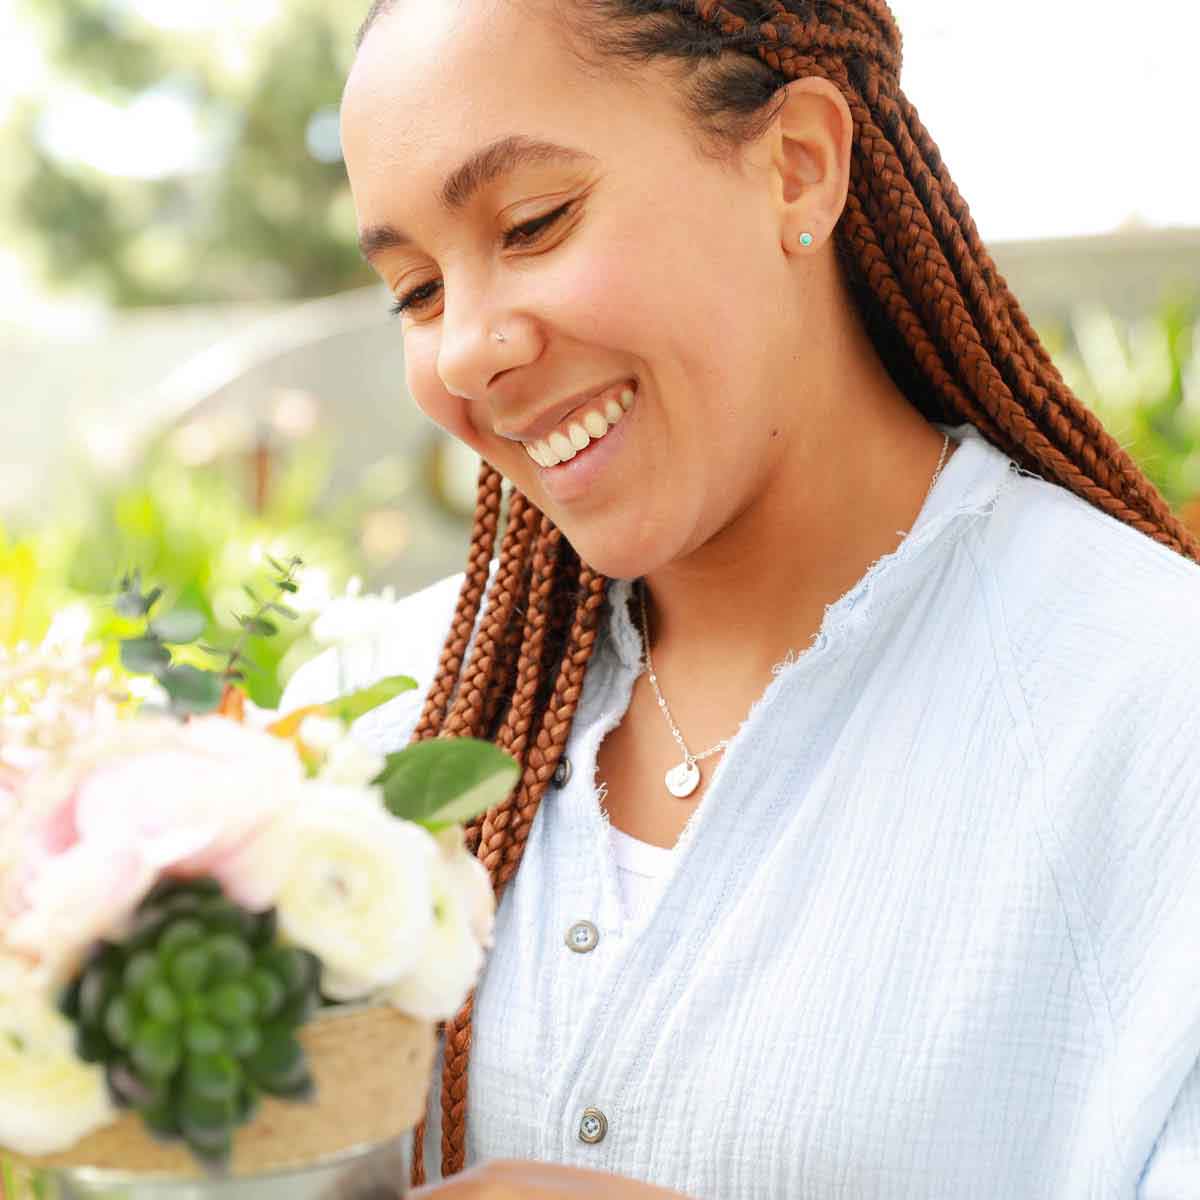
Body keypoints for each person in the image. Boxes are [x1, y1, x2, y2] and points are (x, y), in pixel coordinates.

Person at [283, 1, 1200, 1195]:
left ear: (797, 168)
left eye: (532, 222)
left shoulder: (1147, 710)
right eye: (414, 290)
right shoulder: (365, 722)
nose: (463, 351)